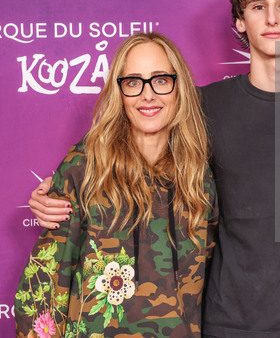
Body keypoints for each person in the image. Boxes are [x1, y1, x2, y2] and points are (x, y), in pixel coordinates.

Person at [28, 0, 280, 338]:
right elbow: (131, 149)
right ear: (240, 20)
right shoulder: (203, 105)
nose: (272, 19)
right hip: (230, 320)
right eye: (258, 6)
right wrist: (57, 192)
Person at [15, 32, 217, 337]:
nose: (148, 95)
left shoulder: (199, 177)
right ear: (119, 92)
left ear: (179, 87)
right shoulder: (86, 166)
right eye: (133, 82)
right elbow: (44, 280)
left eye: (160, 80)